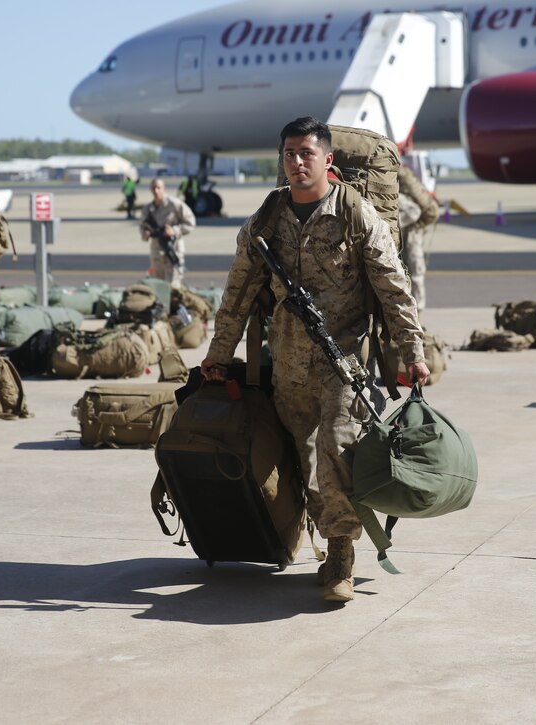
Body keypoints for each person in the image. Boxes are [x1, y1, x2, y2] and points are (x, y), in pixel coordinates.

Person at [200, 117, 430, 604]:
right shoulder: (267, 218)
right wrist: (218, 355)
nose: (297, 162)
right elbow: (237, 293)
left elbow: (394, 287)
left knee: (336, 447)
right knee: (305, 462)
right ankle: (322, 540)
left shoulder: (355, 213)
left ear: (327, 159)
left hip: (343, 358)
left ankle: (341, 555)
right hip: (287, 361)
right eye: (289, 154)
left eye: (306, 153)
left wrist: (413, 352)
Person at [396, 166, 440, 311]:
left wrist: (389, 227)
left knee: (415, 273)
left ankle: (417, 314)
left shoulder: (398, 195)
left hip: (412, 232)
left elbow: (414, 211)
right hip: (407, 231)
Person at [139, 178, 195, 289]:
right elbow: (142, 225)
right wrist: (144, 234)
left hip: (172, 249)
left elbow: (190, 223)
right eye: (153, 188)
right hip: (156, 251)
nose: (156, 191)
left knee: (173, 287)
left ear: (164, 189)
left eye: (158, 188)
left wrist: (174, 230)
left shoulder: (175, 205)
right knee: (158, 286)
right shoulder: (148, 209)